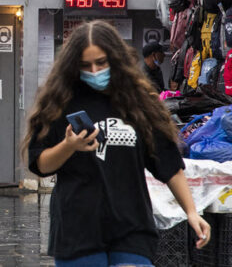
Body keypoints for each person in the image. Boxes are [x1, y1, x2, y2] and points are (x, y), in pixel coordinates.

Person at [22, 20, 210, 266]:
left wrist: (192, 212)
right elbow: (40, 164)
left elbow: (168, 163)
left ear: (115, 59)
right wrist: (68, 146)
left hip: (132, 230)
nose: (94, 71)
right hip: (76, 232)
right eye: (85, 65)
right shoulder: (59, 103)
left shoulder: (139, 104)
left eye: (101, 62)